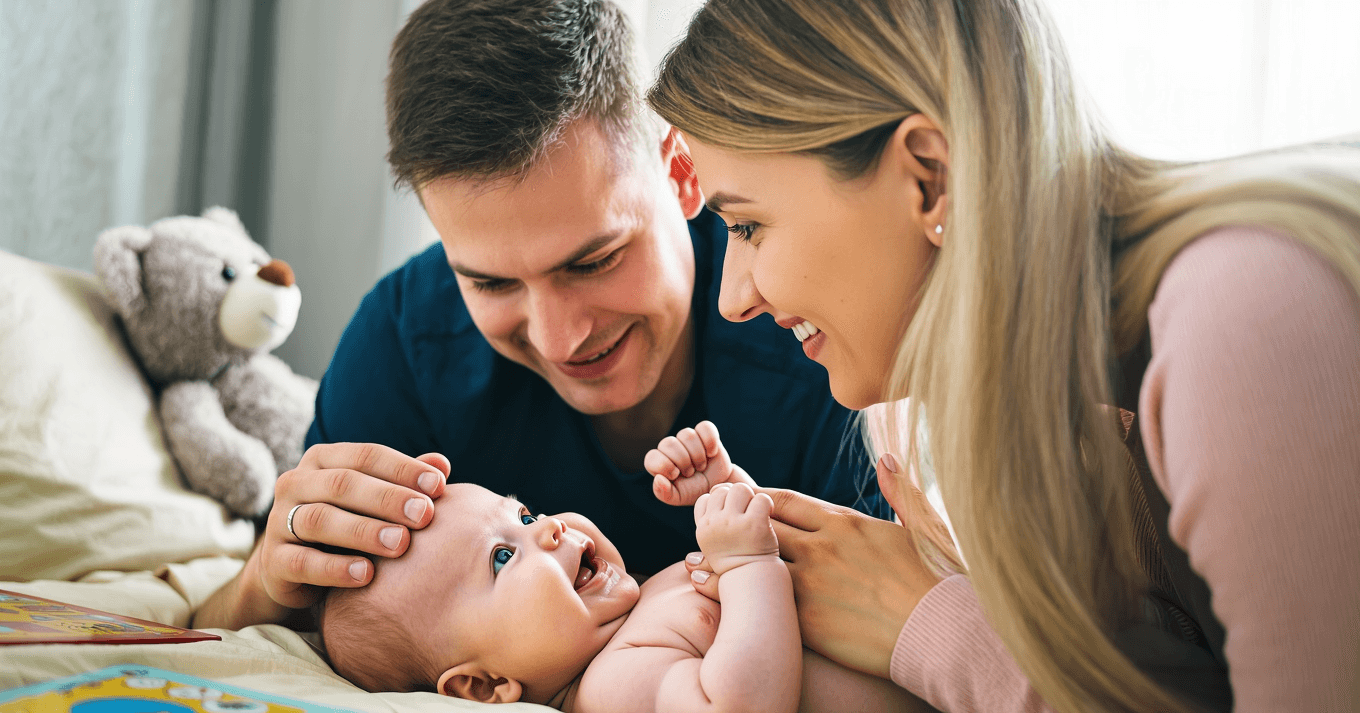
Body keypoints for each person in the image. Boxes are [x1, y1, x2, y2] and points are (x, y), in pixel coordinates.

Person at [646, 1, 1360, 712]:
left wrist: (929, 622)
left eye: (748, 225)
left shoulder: (1241, 323)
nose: (731, 300)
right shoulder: (1065, 407)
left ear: (931, 177)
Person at [190, 0, 887, 632]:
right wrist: (262, 580)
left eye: (593, 261)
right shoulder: (408, 341)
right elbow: (243, 628)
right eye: (490, 281)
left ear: (682, 175)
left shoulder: (816, 334)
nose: (560, 337)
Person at [319, 422, 923, 712]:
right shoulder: (613, 688)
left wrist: (731, 497)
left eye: (524, 514)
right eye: (503, 557)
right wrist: (747, 562)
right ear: (483, 687)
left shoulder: (634, 620)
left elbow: (778, 604)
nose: (548, 528)